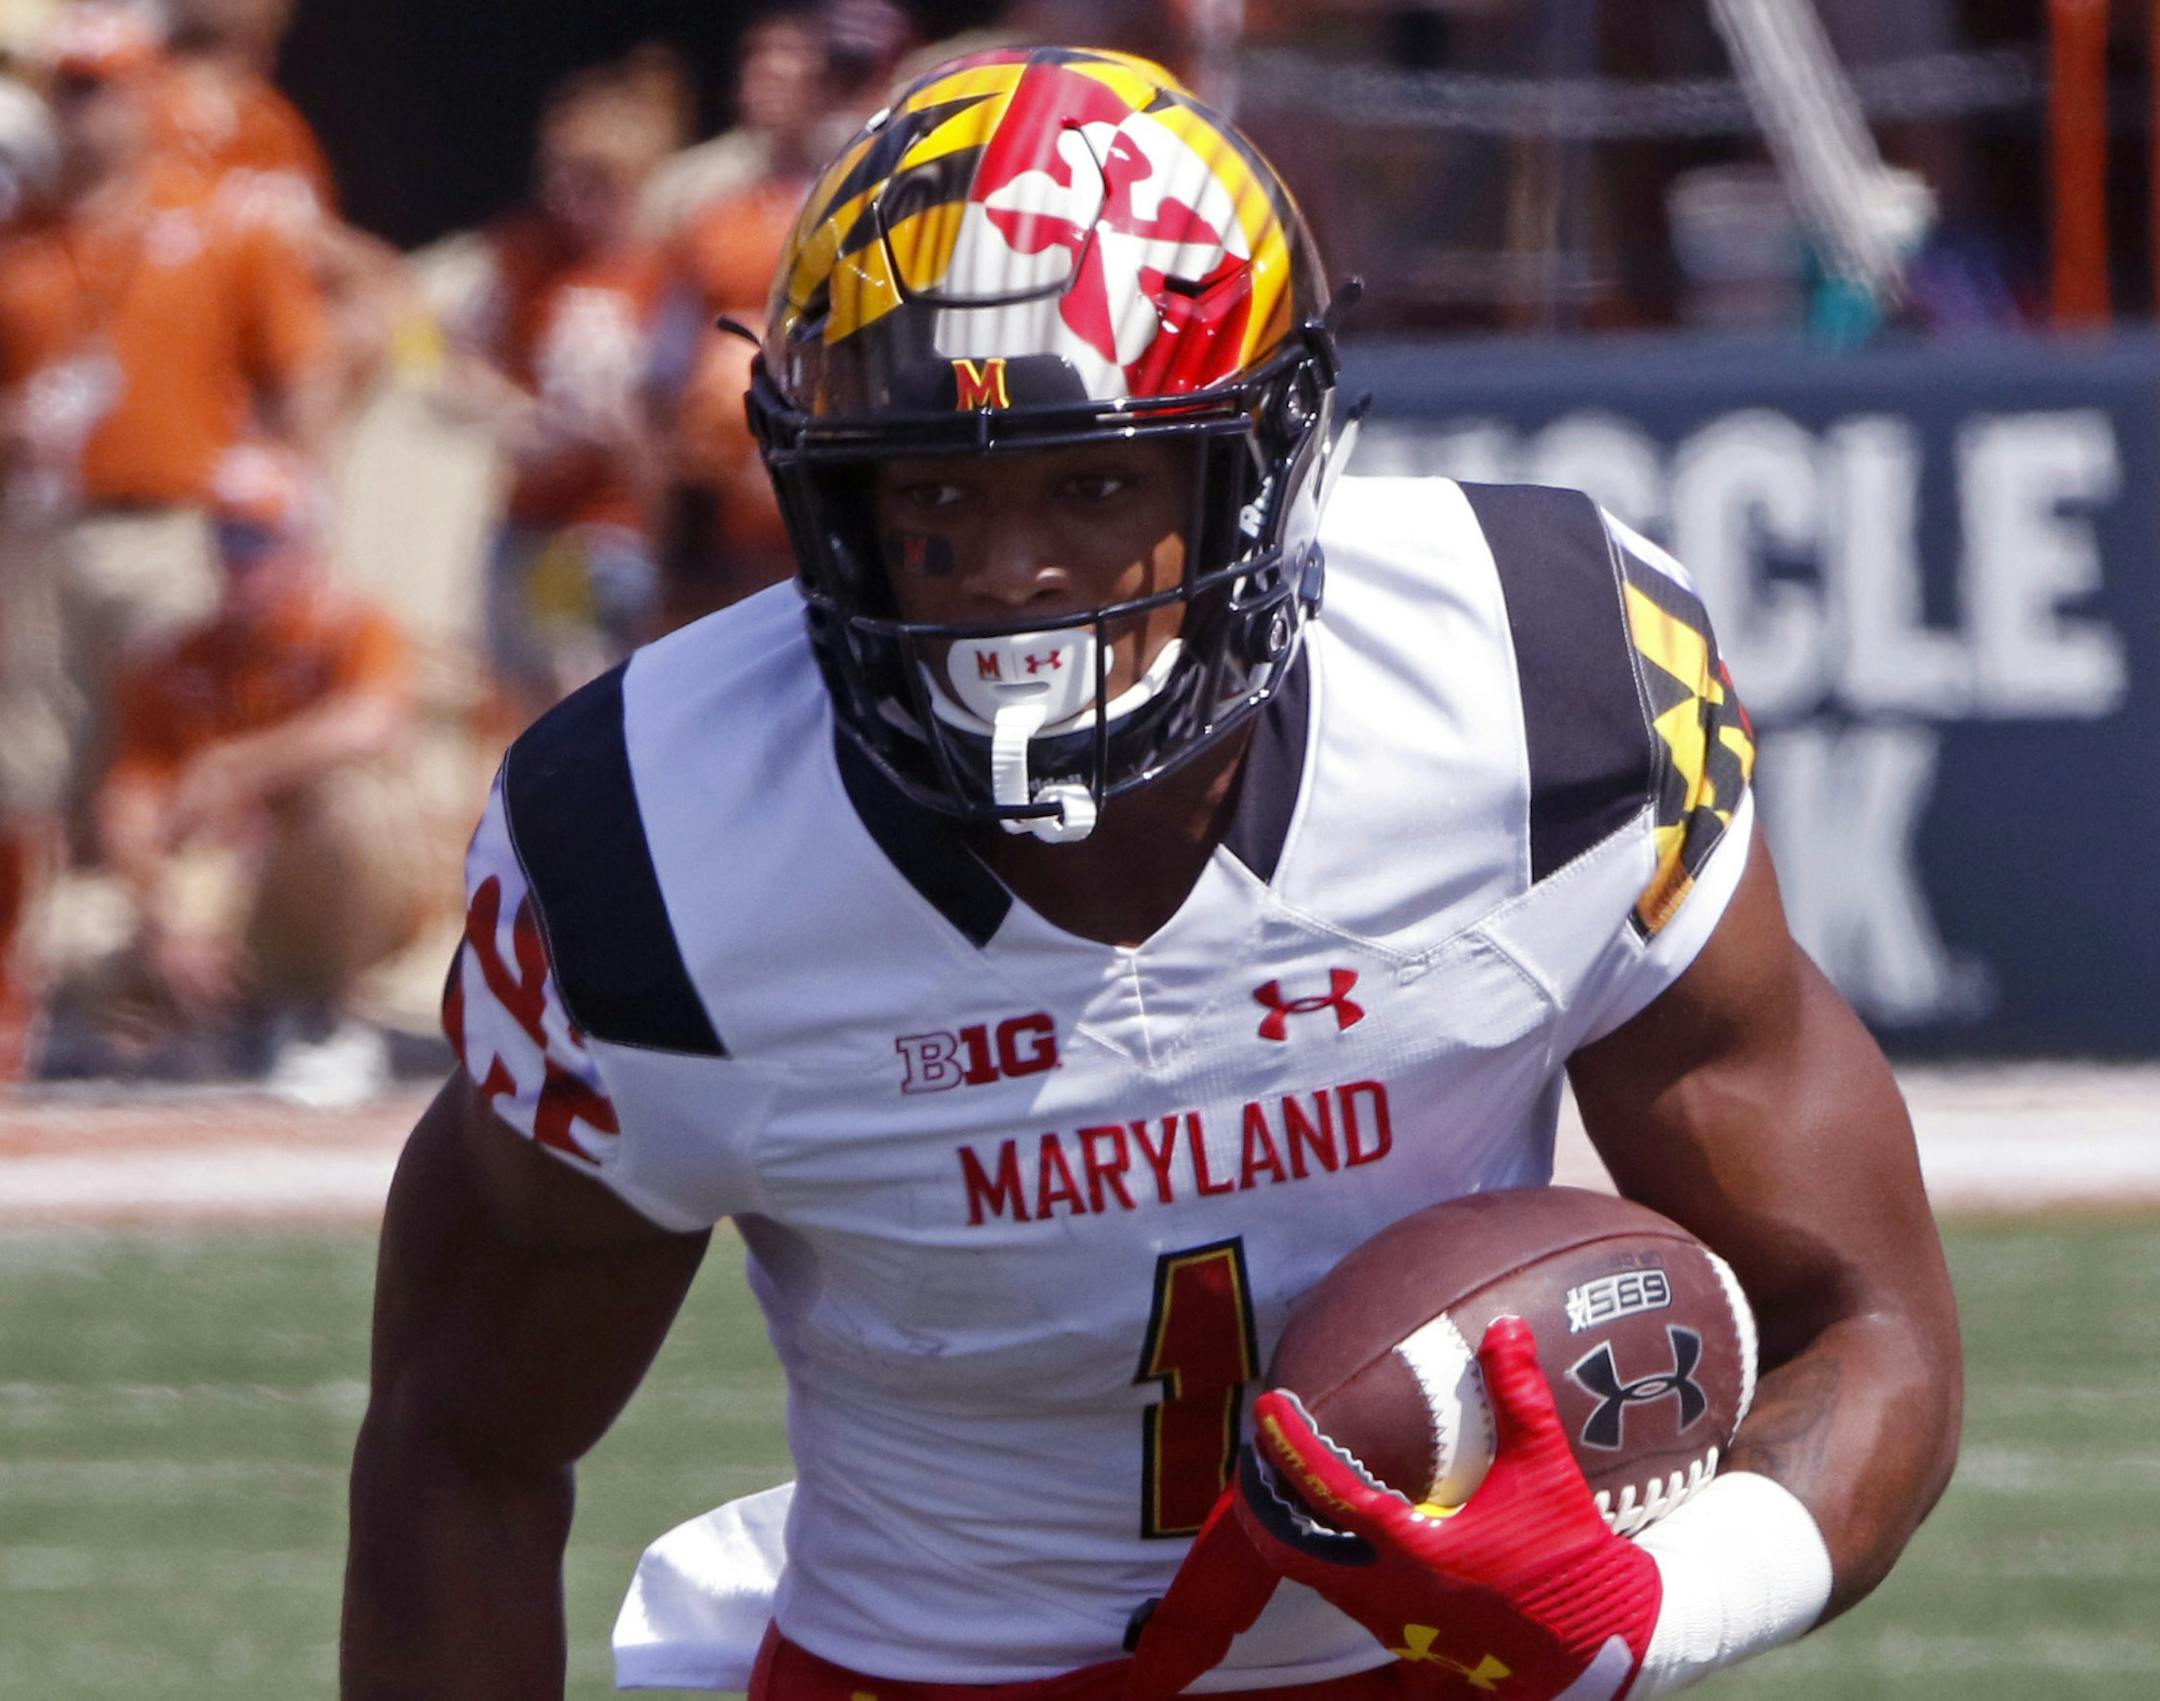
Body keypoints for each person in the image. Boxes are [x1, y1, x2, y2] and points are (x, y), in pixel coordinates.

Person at [342, 47, 1960, 1701]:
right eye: (932, 496)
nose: (1013, 572)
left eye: (1096, 483)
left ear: (1261, 468)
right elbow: (458, 1449)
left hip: (1430, 1667)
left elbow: (1865, 1322)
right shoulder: (652, 841)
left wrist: (1650, 1610)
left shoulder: (1545, 683)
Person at [92, 444, 423, 1101]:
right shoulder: (178, 658)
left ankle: (333, 1015)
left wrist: (242, 765)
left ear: (303, 543)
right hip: (231, 898)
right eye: (223, 535)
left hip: (332, 894)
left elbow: (372, 724)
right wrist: (165, 916)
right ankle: (225, 1012)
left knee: (352, 806)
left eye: (255, 537)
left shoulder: (350, 628)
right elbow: (130, 801)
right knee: (79, 934)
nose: (236, 558)